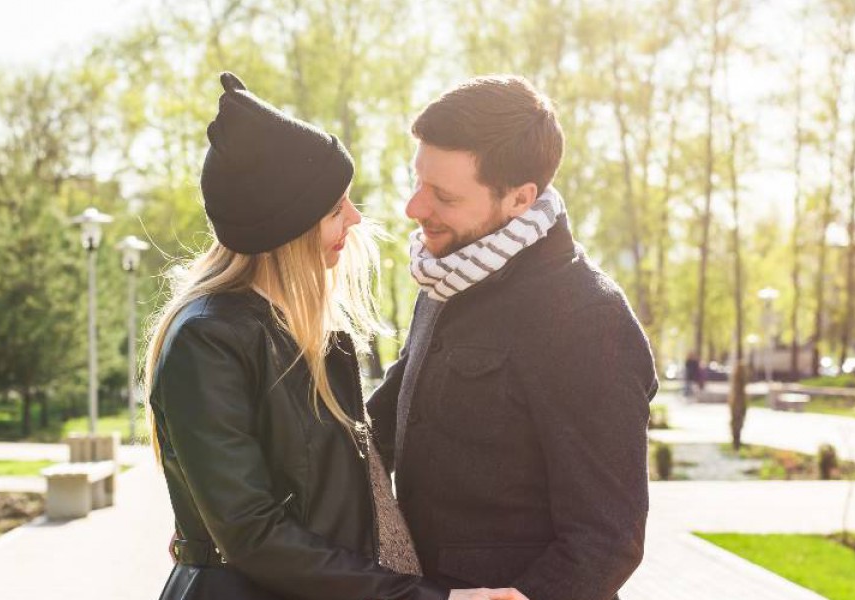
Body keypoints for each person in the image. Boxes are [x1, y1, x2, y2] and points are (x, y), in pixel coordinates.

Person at [146, 72, 517, 600]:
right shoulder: (207, 341)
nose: (355, 217)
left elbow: (366, 451)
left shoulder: (309, 334)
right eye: (334, 208)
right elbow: (254, 534)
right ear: (284, 229)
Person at [368, 75, 659, 600]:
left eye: (443, 195)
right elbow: (383, 421)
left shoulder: (587, 318)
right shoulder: (446, 277)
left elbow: (609, 536)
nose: (414, 208)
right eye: (418, 182)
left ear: (520, 198)